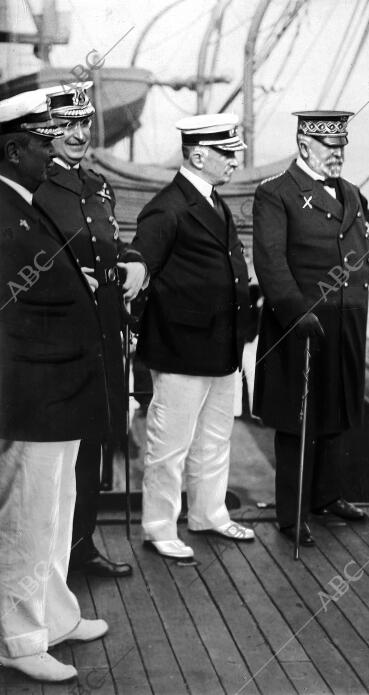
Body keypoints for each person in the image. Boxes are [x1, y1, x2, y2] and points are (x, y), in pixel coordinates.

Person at [252, 110, 369, 546]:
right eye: (331, 148)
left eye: (342, 147)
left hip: (347, 319)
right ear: (304, 146)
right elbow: (270, 262)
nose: (339, 155)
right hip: (302, 324)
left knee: (337, 409)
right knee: (299, 418)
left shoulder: (350, 193)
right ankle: (291, 513)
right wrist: (296, 312)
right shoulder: (277, 194)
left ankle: (328, 496)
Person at [0, 89, 109, 682]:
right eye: (42, 145)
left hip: (61, 394)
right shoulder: (3, 208)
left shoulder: (25, 201)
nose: (51, 154)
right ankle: (17, 640)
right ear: (14, 150)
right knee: (25, 519)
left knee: (55, 510)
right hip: (32, 397)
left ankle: (54, 614)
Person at [34, 83, 147, 578]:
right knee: (51, 456)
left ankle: (80, 546)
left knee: (92, 445)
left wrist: (136, 263)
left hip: (101, 337)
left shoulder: (98, 186)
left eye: (84, 123)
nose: (78, 133)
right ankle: (46, 559)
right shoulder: (30, 186)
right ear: (44, 131)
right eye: (66, 125)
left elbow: (110, 245)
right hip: (53, 343)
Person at [131, 114, 253, 559]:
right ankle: (159, 526)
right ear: (198, 154)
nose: (234, 161)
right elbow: (141, 261)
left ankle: (208, 513)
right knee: (170, 445)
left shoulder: (212, 202)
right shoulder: (168, 207)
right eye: (227, 153)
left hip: (222, 347)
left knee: (215, 438)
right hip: (182, 349)